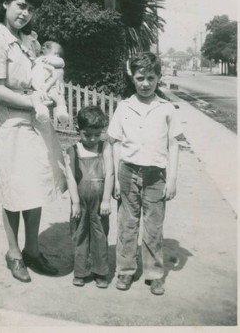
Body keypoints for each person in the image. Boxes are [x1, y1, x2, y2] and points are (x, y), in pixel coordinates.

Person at [0, 0, 67, 283]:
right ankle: (14, 253)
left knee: (37, 184)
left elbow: (40, 75)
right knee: (14, 188)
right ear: (5, 4)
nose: (25, 12)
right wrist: (32, 101)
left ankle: (32, 249)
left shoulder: (29, 40)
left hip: (34, 119)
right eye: (20, 5)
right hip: (9, 122)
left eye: (30, 8)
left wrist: (49, 94)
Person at [107, 52, 182, 295]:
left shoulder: (167, 109)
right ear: (133, 78)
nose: (146, 83)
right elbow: (116, 142)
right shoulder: (124, 107)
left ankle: (154, 273)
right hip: (128, 171)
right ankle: (126, 270)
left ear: (159, 77)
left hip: (156, 175)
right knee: (127, 224)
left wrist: (171, 179)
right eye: (140, 78)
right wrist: (117, 179)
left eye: (151, 77)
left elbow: (174, 144)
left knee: (153, 226)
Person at [65, 106, 114, 288]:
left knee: (100, 236)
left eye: (97, 134)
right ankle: (81, 271)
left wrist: (106, 200)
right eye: (87, 135)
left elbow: (109, 174)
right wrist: (75, 202)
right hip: (81, 203)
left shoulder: (105, 147)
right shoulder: (73, 150)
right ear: (79, 129)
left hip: (100, 203)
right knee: (79, 235)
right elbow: (70, 177)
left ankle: (100, 271)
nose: (92, 139)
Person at [31, 40, 69, 127]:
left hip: (51, 87)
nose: (43, 47)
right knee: (35, 97)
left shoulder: (54, 59)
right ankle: (41, 112)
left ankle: (62, 112)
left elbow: (62, 63)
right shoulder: (38, 59)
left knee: (59, 96)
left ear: (56, 54)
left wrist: (51, 61)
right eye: (43, 46)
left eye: (48, 47)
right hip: (38, 88)